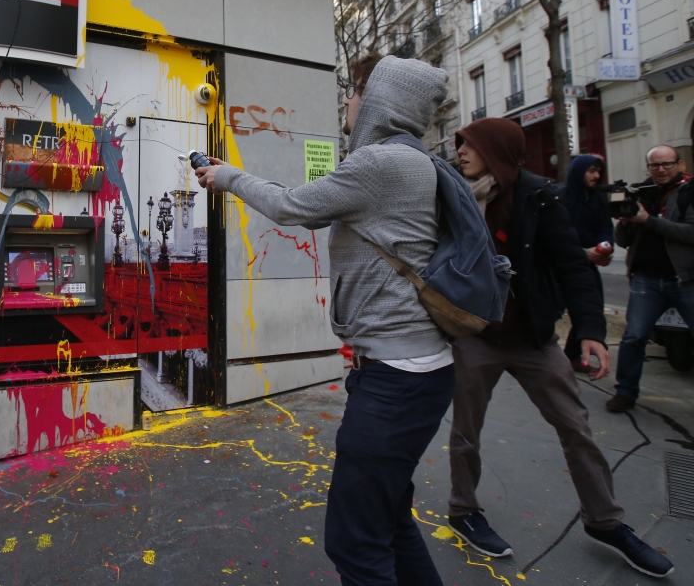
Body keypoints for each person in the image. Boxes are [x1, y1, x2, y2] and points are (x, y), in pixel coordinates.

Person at [198, 54, 453, 586]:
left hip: (396, 380)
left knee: (355, 543)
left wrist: (228, 177)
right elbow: (318, 212)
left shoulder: (380, 163)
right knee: (388, 519)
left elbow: (292, 207)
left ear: (380, 101)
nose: (347, 99)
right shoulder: (413, 161)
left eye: (355, 90)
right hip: (414, 372)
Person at [447, 119, 674, 578]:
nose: (460, 153)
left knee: (576, 427)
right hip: (476, 336)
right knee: (466, 432)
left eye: (468, 145)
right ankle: (463, 509)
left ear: (495, 150)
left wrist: (590, 328)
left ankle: (605, 521)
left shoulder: (539, 195)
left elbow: (571, 264)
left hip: (533, 337)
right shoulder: (455, 193)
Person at [609, 145, 694, 412]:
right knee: (634, 337)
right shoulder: (642, 194)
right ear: (648, 167)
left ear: (679, 164)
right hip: (646, 278)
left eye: (667, 164)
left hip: (685, 278)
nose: (661, 170)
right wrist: (625, 222)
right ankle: (625, 392)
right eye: (655, 165)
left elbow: (690, 233)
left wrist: (649, 220)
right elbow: (622, 241)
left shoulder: (689, 192)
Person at [558, 154, 614, 372]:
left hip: (587, 265)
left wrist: (605, 247)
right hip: (559, 264)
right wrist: (581, 252)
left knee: (591, 308)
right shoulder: (560, 197)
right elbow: (555, 235)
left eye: (599, 171)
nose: (596, 176)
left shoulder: (597, 198)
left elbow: (605, 227)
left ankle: (573, 355)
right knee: (550, 309)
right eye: (591, 171)